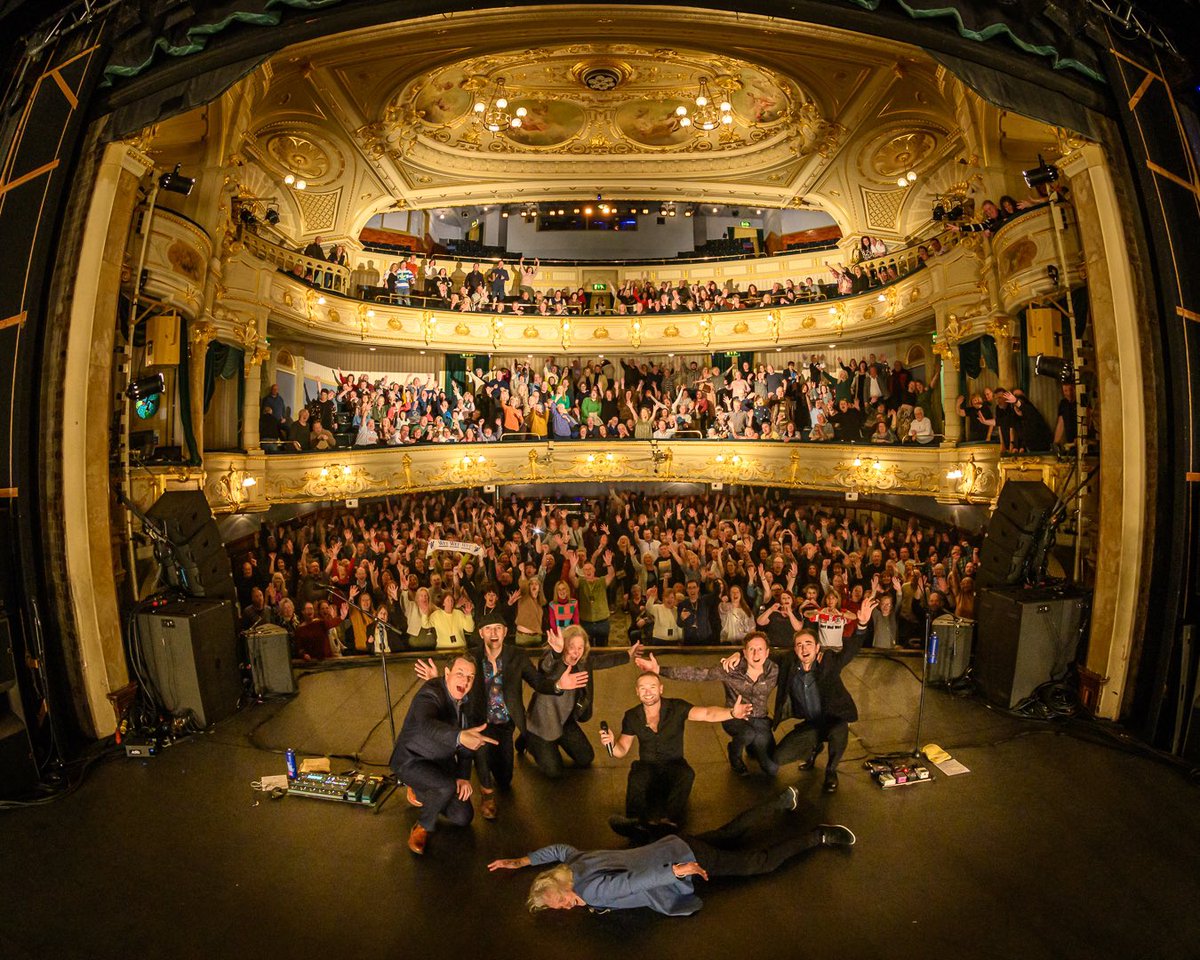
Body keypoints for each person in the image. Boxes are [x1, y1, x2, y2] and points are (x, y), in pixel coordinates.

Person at [487, 788, 856, 916]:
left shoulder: (590, 891)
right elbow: (558, 848)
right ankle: (781, 802)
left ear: (564, 886)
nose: (566, 905)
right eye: (560, 907)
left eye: (562, 900)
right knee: (730, 832)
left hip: (681, 858)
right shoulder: (575, 863)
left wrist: (676, 873)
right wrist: (520, 861)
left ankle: (818, 837)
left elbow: (633, 883)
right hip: (675, 843)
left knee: (758, 864)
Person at [413, 615, 587, 820]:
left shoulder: (517, 656)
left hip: (505, 724)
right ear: (481, 633)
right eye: (488, 629)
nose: (493, 633)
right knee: (480, 749)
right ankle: (486, 793)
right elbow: (456, 678)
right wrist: (437, 680)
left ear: (505, 632)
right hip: (478, 722)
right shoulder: (472, 656)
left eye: (498, 628)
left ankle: (488, 770)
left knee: (505, 779)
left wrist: (558, 685)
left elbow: (539, 682)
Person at [732, 596, 876, 794]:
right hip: (811, 724)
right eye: (799, 645)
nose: (803, 648)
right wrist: (739, 654)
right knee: (778, 758)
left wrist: (862, 624)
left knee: (838, 732)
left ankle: (831, 770)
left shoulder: (829, 662)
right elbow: (761, 652)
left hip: (834, 720)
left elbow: (850, 650)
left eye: (808, 644)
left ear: (817, 648)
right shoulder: (788, 661)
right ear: (795, 649)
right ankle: (813, 749)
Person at [599, 671, 752, 836]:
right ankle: (634, 822)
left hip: (674, 763)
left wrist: (731, 713)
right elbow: (621, 750)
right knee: (636, 776)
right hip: (647, 764)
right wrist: (611, 744)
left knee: (686, 774)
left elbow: (707, 713)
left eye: (652, 687)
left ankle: (669, 821)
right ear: (637, 691)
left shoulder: (677, 707)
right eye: (643, 688)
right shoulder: (631, 716)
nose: (648, 692)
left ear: (661, 689)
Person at [388, 655, 498, 855]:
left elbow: (467, 743)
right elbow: (426, 725)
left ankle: (422, 789)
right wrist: (459, 736)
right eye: (460, 674)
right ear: (447, 673)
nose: (465, 681)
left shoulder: (467, 701)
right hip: (412, 759)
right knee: (444, 786)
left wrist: (464, 776)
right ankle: (423, 825)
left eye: (470, 677)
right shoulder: (430, 693)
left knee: (463, 817)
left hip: (440, 761)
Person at [637, 632, 779, 776]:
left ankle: (752, 747)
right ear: (744, 652)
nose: (756, 653)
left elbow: (794, 656)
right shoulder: (731, 669)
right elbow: (699, 673)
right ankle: (734, 755)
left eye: (760, 649)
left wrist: (736, 654)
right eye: (751, 649)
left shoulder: (774, 670)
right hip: (733, 717)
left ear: (767, 652)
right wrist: (659, 670)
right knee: (748, 734)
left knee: (772, 769)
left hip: (760, 719)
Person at [522, 625, 641, 779]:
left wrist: (628, 654)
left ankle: (554, 740)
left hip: (565, 721)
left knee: (586, 758)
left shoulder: (583, 662)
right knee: (554, 772)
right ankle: (529, 739)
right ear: (563, 645)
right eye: (571, 647)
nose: (576, 652)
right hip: (543, 723)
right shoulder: (553, 661)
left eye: (580, 647)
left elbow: (601, 661)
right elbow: (545, 666)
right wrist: (556, 653)